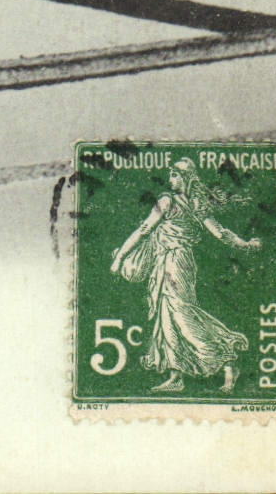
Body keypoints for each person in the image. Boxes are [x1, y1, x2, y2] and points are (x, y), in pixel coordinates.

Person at [109, 157, 261, 393]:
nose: (170, 180)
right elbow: (220, 233)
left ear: (187, 178)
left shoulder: (171, 202)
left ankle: (227, 358)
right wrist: (246, 245)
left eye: (175, 175)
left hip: (175, 262)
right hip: (171, 262)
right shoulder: (193, 203)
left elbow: (145, 229)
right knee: (167, 316)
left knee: (181, 315)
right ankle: (176, 375)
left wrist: (120, 258)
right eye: (170, 175)